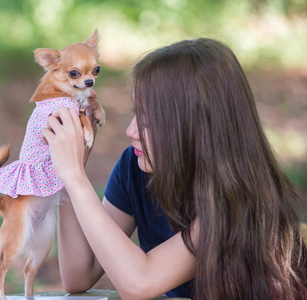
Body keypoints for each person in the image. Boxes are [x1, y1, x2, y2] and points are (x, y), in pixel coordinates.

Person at [42, 38, 307, 300]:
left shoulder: (237, 197)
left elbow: (140, 283)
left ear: (193, 128)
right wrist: (68, 169)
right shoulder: (136, 166)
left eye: (148, 120)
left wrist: (75, 178)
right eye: (136, 113)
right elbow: (78, 274)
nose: (131, 130)